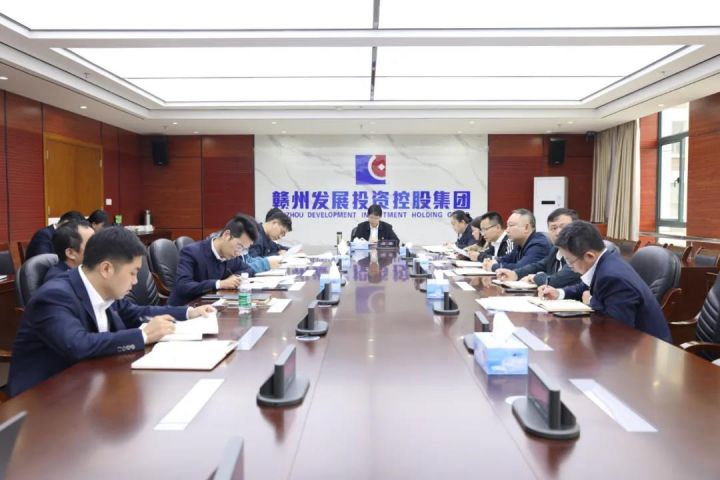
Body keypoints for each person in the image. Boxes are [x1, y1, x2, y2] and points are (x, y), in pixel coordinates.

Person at [8, 226, 216, 396]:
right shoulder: (55, 295)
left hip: (92, 383)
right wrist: (143, 335)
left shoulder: (103, 289)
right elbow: (77, 344)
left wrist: (188, 313)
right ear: (106, 269)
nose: (135, 281)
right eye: (133, 273)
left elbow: (136, 312)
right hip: (44, 399)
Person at [537, 220, 672, 343]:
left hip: (645, 351)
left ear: (589, 256)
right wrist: (559, 293)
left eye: (569, 260)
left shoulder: (613, 278)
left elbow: (617, 327)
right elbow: (585, 286)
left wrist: (591, 301)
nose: (569, 265)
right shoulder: (606, 261)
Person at [168, 214, 257, 306]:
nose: (239, 253)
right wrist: (219, 284)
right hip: (185, 309)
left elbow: (248, 270)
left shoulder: (230, 254)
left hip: (211, 306)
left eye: (244, 249)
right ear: (226, 235)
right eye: (239, 246)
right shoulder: (192, 252)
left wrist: (235, 278)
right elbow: (183, 286)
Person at [495, 208, 581, 288]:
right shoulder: (555, 250)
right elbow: (539, 266)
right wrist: (515, 274)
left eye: (564, 227)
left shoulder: (580, 251)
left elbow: (558, 280)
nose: (558, 232)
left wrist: (535, 278)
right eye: (553, 228)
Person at [483, 208, 551, 272]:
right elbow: (508, 259)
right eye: (507, 226)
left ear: (526, 228)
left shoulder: (538, 244)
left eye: (511, 225)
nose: (507, 230)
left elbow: (521, 269)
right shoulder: (519, 243)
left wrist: (494, 266)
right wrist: (493, 261)